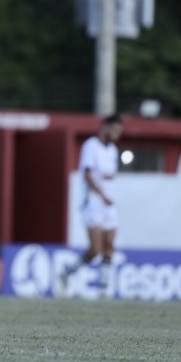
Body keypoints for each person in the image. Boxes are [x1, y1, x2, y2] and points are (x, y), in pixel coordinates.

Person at [60, 113, 123, 292]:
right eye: (116, 130)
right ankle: (68, 271)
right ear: (106, 127)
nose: (117, 134)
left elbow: (110, 176)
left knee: (109, 244)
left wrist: (109, 195)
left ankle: (104, 287)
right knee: (95, 250)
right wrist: (102, 194)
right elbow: (87, 175)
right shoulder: (91, 146)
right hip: (93, 202)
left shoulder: (113, 150)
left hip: (109, 203)